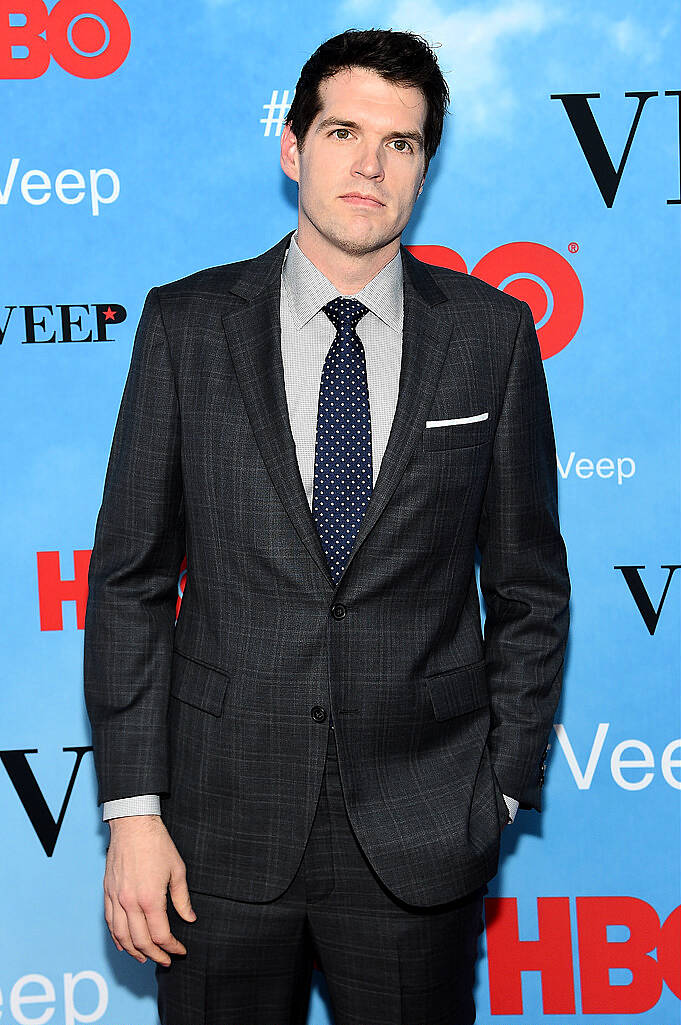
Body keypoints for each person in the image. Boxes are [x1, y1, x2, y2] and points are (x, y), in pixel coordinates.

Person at [84, 27, 570, 1025]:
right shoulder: (185, 323)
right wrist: (134, 810)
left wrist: (501, 792)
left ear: (425, 167)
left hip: (421, 830)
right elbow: (130, 579)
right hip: (213, 830)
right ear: (292, 143)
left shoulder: (492, 333)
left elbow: (528, 586)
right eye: (345, 129)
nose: (369, 163)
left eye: (402, 141)